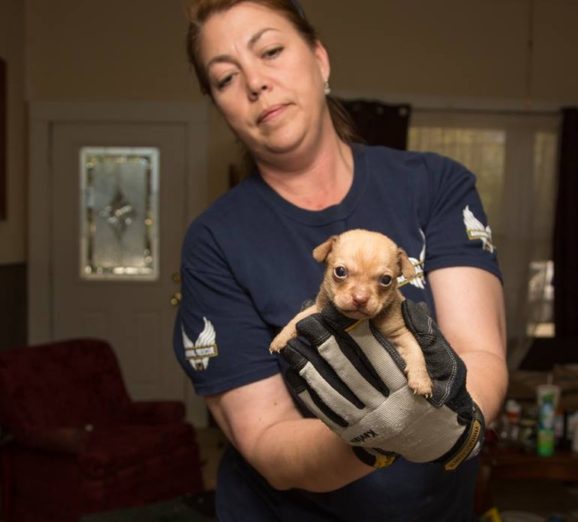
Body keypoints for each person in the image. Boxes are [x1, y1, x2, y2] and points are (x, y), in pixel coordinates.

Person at [173, 1, 508, 520]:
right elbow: (267, 439)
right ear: (220, 106)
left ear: (320, 59)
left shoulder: (436, 185)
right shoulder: (215, 241)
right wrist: (376, 434)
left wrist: (445, 427)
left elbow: (479, 354)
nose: (255, 83)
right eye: (225, 78)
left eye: (272, 51)